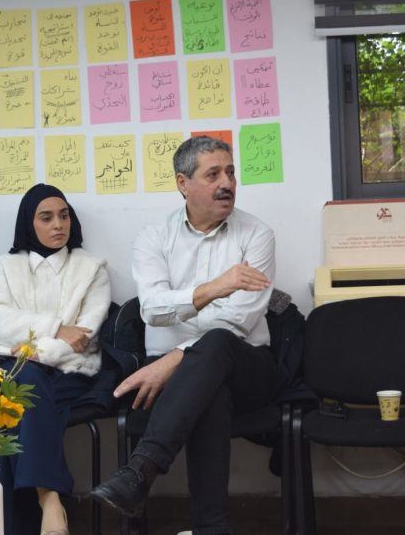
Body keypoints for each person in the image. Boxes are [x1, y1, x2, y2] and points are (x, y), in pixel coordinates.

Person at [90, 136, 276, 535]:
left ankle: (140, 469)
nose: (227, 183)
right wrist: (215, 287)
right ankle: (211, 528)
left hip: (247, 368)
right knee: (209, 390)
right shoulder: (153, 238)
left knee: (219, 344)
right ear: (182, 183)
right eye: (213, 174)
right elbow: (152, 310)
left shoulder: (257, 234)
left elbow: (239, 320)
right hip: (187, 378)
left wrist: (176, 359)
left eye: (230, 173)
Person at [0, 184, 111, 535]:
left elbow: (84, 335)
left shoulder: (91, 269)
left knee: (15, 401)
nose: (58, 225)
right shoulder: (7, 267)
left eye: (64, 216)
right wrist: (55, 328)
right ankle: (49, 498)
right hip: (14, 368)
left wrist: (35, 351)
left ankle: (19, 522)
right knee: (26, 383)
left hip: (69, 372)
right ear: (29, 223)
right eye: (46, 218)